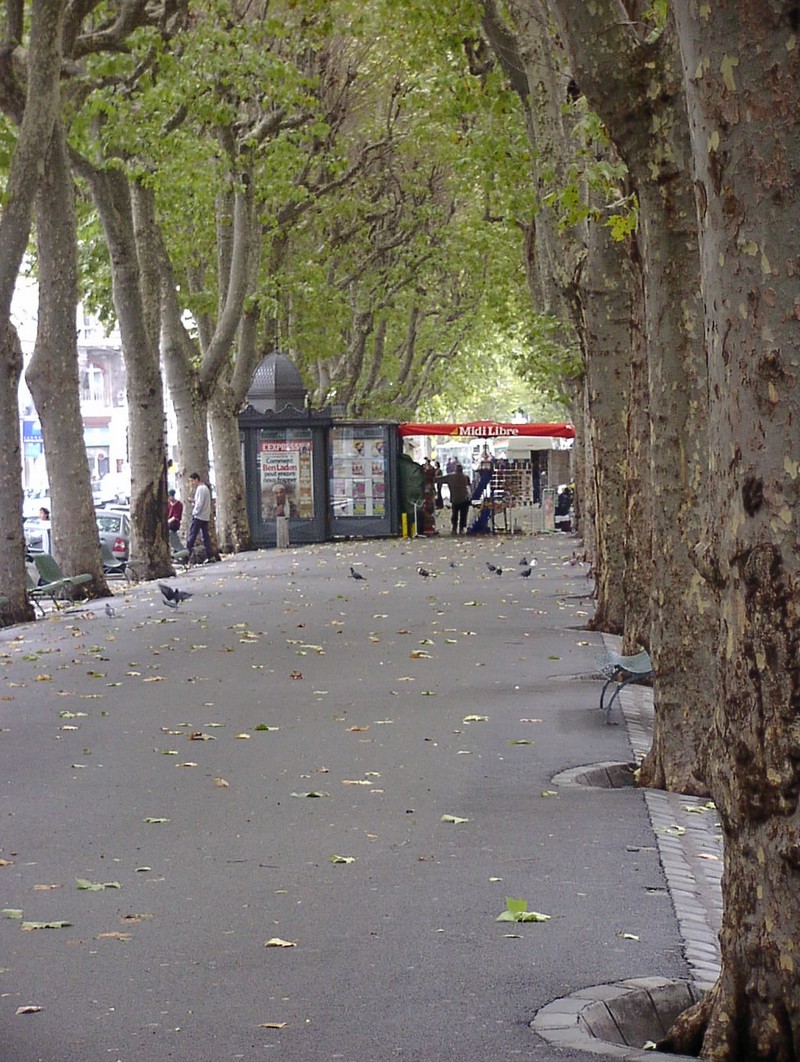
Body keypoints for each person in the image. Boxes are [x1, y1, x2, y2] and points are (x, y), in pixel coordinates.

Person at [185, 472, 216, 562]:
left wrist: (194, 512)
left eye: (192, 481)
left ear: (196, 480)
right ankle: (210, 555)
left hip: (199, 516)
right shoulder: (204, 489)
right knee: (205, 536)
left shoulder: (201, 489)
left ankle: (187, 555)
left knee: (192, 535)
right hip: (204, 516)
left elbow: (200, 504)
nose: (191, 483)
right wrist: (194, 502)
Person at [439, 463, 472, 535]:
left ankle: (454, 528)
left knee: (454, 514)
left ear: (455, 469)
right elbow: (469, 487)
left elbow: (440, 479)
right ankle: (461, 528)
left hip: (455, 499)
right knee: (463, 515)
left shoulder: (450, 477)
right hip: (464, 498)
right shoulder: (465, 477)